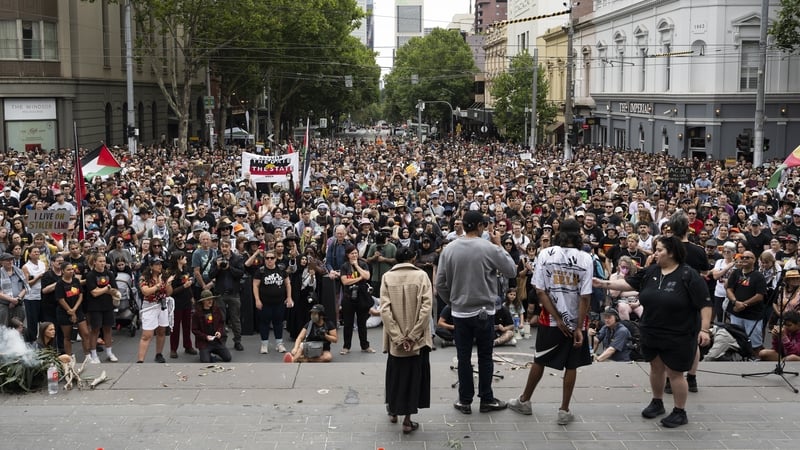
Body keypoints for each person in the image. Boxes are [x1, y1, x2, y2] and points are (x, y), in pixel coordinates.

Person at [595, 235, 712, 428]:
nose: (654, 253)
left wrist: (705, 329)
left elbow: (705, 304)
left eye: (659, 250)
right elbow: (629, 283)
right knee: (656, 367)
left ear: (672, 252)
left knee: (675, 373)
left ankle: (679, 411)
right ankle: (657, 402)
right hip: (651, 330)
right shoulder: (651, 271)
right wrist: (603, 283)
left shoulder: (688, 274)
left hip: (679, 333)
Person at [507, 218, 592, 425]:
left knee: (540, 359)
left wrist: (557, 318)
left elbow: (540, 290)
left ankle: (525, 401)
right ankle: (564, 410)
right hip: (576, 320)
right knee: (572, 365)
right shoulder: (585, 258)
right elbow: (585, 296)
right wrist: (579, 326)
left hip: (550, 320)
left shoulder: (546, 254)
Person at [436, 210, 516, 415]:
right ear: (480, 226)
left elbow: (440, 283)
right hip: (484, 312)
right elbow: (511, 270)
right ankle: (486, 399)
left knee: (463, 357)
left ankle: (464, 400)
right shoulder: (488, 247)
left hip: (460, 313)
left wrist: (453, 303)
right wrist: (499, 244)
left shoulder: (449, 249)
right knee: (485, 356)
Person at [380, 246, 433, 434]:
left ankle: (393, 411)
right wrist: (412, 336)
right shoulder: (421, 276)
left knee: (395, 374)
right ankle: (407, 421)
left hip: (396, 341)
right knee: (414, 376)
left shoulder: (387, 277)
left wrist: (397, 336)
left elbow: (384, 310)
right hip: (416, 339)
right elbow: (427, 309)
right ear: (413, 257)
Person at [725, 250, 768, 352]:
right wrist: (735, 302)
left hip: (752, 316)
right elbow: (729, 289)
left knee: (755, 344)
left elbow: (760, 296)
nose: (744, 259)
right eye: (743, 257)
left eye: (748, 257)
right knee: (736, 341)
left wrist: (744, 304)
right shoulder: (736, 273)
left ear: (754, 260)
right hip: (736, 313)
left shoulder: (759, 276)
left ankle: (757, 362)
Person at [253, 249, 293, 354]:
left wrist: (289, 297)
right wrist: (257, 299)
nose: (269, 260)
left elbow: (288, 284)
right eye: (267, 258)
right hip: (265, 302)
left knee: (278, 323)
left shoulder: (281, 269)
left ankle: (279, 344)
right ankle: (264, 344)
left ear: (275, 259)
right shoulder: (260, 271)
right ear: (264, 259)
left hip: (279, 302)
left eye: (272, 258)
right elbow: (255, 285)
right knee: (264, 323)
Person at [208, 239, 245, 351]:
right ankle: (222, 341)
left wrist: (229, 268)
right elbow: (210, 275)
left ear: (230, 247)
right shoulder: (216, 259)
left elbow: (240, 273)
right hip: (220, 294)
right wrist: (218, 267)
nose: (224, 248)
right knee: (220, 319)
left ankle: (237, 341)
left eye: (226, 246)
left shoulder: (237, 259)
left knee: (235, 319)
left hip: (234, 293)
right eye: (222, 246)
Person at [339, 244, 374, 354]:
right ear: (347, 255)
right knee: (348, 323)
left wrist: (357, 266)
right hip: (348, 297)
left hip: (361, 297)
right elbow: (344, 281)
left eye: (355, 253)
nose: (354, 255)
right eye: (352, 253)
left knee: (362, 323)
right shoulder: (344, 266)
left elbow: (367, 276)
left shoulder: (363, 264)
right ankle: (346, 346)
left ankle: (365, 346)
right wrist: (359, 278)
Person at [84, 254, 119, 363]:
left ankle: (109, 352)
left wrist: (107, 290)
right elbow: (94, 292)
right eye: (100, 261)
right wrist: (105, 289)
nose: (102, 263)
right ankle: (94, 354)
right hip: (95, 307)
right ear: (94, 262)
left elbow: (114, 290)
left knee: (108, 329)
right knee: (95, 330)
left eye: (103, 261)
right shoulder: (90, 275)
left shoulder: (110, 274)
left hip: (108, 306)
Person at [54, 263, 90, 361]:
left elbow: (81, 295)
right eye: (68, 270)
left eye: (72, 269)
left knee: (85, 333)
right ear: (63, 271)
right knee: (68, 336)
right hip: (64, 313)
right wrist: (70, 311)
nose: (71, 271)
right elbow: (61, 299)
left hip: (78, 311)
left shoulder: (76, 281)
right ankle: (69, 357)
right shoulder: (59, 284)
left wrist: (75, 309)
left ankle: (88, 355)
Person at [137, 257, 170, 363]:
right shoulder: (144, 277)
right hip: (149, 306)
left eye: (160, 264)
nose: (160, 266)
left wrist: (168, 284)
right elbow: (145, 291)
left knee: (161, 331)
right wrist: (158, 286)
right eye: (157, 264)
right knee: (147, 334)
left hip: (162, 305)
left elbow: (169, 292)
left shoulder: (164, 276)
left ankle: (159, 354)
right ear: (151, 266)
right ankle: (140, 360)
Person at [166, 250, 197, 358]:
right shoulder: (171, 273)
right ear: (179, 259)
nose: (186, 259)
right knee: (175, 326)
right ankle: (173, 349)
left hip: (186, 301)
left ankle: (188, 345)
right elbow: (171, 292)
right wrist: (184, 287)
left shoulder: (186, 270)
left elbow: (188, 285)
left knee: (187, 325)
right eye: (184, 257)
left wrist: (191, 296)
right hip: (176, 303)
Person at [191, 289, 232, 363]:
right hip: (204, 343)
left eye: (211, 299)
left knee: (227, 358)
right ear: (203, 301)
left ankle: (211, 354)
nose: (210, 301)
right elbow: (194, 329)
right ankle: (208, 355)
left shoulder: (216, 310)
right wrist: (205, 337)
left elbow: (221, 323)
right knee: (206, 361)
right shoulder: (197, 314)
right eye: (208, 300)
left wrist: (219, 331)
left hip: (216, 341)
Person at [21, 246, 46, 342]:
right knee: (32, 322)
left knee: (43, 320)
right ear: (30, 254)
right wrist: (38, 277)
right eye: (34, 252)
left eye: (38, 252)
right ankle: (32, 342)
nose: (37, 253)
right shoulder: (26, 267)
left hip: (42, 296)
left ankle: (43, 342)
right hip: (31, 297)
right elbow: (27, 284)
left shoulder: (42, 264)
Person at [0, 252, 27, 329]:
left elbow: (25, 287)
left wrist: (17, 298)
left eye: (11, 260)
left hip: (18, 304)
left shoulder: (19, 272)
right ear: (1, 262)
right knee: (3, 328)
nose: (10, 262)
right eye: (7, 260)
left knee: (18, 328)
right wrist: (11, 299)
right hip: (4, 306)